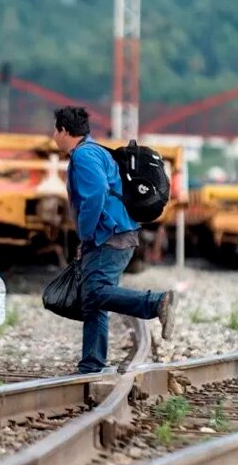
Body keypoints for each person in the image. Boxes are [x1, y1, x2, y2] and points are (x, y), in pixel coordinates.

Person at [52, 106, 178, 374]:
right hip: (117, 232)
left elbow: (95, 194)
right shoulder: (93, 151)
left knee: (96, 292)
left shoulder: (84, 155)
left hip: (110, 235)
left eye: (56, 130)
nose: (54, 136)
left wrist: (85, 236)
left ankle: (155, 302)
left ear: (64, 131)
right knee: (94, 298)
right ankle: (92, 363)